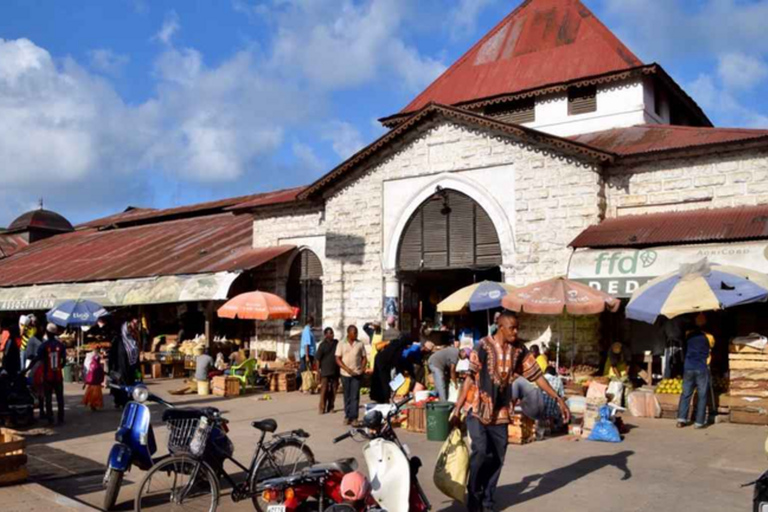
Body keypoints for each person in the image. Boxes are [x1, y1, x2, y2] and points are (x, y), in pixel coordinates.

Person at [450, 311, 570, 512]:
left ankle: (487, 501)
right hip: (478, 409)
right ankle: (474, 495)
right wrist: (457, 409)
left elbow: (537, 376)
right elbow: (469, 379)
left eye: (517, 328)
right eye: (512, 328)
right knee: (481, 451)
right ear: (501, 327)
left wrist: (558, 399)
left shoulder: (519, 350)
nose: (516, 331)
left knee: (497, 457)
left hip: (502, 413)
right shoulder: (482, 347)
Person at [677, 313, 715, 429]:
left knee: (686, 394)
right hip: (702, 368)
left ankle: (681, 420)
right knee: (702, 395)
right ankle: (699, 422)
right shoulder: (709, 337)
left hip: (688, 367)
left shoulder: (688, 334)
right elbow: (712, 346)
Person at [335, 325, 367, 426]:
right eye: (354, 332)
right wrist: (347, 370)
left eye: (357, 332)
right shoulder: (341, 343)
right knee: (347, 396)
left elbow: (364, 358)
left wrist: (362, 368)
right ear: (349, 333)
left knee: (355, 396)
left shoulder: (360, 344)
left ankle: (354, 418)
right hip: (345, 374)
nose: (356, 334)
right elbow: (337, 359)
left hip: (356, 374)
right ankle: (347, 416)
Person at [36, 323, 67, 425]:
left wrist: (27, 368)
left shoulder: (43, 346)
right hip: (58, 375)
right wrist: (59, 367)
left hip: (47, 375)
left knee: (48, 398)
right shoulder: (61, 345)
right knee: (60, 397)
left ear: (47, 333)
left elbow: (38, 358)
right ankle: (61, 418)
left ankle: (50, 418)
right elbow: (64, 361)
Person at [108, 317, 141, 407]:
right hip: (120, 368)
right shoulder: (117, 340)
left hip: (131, 367)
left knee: (131, 385)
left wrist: (138, 368)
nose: (130, 330)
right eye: (128, 328)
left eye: (131, 328)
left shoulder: (132, 340)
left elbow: (136, 354)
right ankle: (121, 402)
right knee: (121, 385)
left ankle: (128, 400)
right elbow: (112, 355)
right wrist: (111, 368)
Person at [316, 327, 340, 414]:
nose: (332, 335)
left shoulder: (336, 343)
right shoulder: (322, 345)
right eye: (330, 333)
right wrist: (318, 372)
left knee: (333, 390)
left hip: (335, 370)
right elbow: (318, 359)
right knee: (324, 390)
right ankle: (322, 408)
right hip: (325, 371)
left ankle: (331, 407)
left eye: (332, 333)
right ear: (326, 335)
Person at [299, 316, 317, 393]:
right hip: (307, 353)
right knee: (306, 371)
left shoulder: (309, 330)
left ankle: (305, 386)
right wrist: (307, 356)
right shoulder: (306, 331)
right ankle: (305, 387)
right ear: (311, 322)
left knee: (308, 370)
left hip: (310, 353)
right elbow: (306, 344)